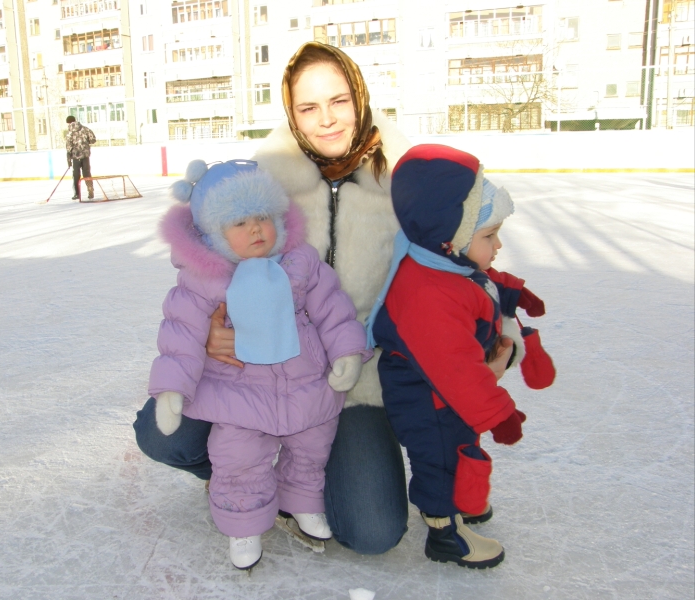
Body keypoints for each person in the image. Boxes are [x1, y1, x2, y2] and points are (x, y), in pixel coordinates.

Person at [133, 42, 507, 554]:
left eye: (338, 101)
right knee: (163, 435)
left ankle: (303, 479)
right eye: (308, 107)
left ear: (360, 97)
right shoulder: (262, 178)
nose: (326, 119)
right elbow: (204, 266)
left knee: (372, 531)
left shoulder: (409, 181)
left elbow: (463, 257)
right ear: (291, 113)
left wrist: (495, 336)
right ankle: (243, 479)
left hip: (360, 378)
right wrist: (205, 339)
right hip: (254, 371)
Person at [149, 158, 371, 569]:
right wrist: (171, 389)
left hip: (306, 387)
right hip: (239, 395)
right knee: (238, 459)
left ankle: (301, 501)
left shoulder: (301, 262)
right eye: (239, 222)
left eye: (262, 217)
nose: (255, 230)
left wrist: (347, 353)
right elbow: (179, 334)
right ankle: (244, 522)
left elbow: (334, 310)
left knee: (312, 449)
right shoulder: (203, 281)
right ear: (212, 233)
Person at [367, 144, 556, 569]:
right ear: (450, 235)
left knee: (460, 449)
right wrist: (499, 414)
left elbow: (479, 282)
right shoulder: (426, 292)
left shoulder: (445, 264)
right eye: (489, 236)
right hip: (428, 402)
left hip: (445, 398)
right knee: (443, 461)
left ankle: (461, 504)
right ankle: (445, 533)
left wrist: (513, 291)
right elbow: (456, 371)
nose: (499, 244)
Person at [65, 115, 96, 200]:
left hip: (76, 156)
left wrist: (68, 160)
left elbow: (68, 147)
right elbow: (93, 139)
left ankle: (77, 194)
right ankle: (90, 190)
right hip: (85, 155)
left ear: (68, 123)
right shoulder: (85, 129)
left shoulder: (70, 132)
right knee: (87, 173)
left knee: (76, 175)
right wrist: (85, 143)